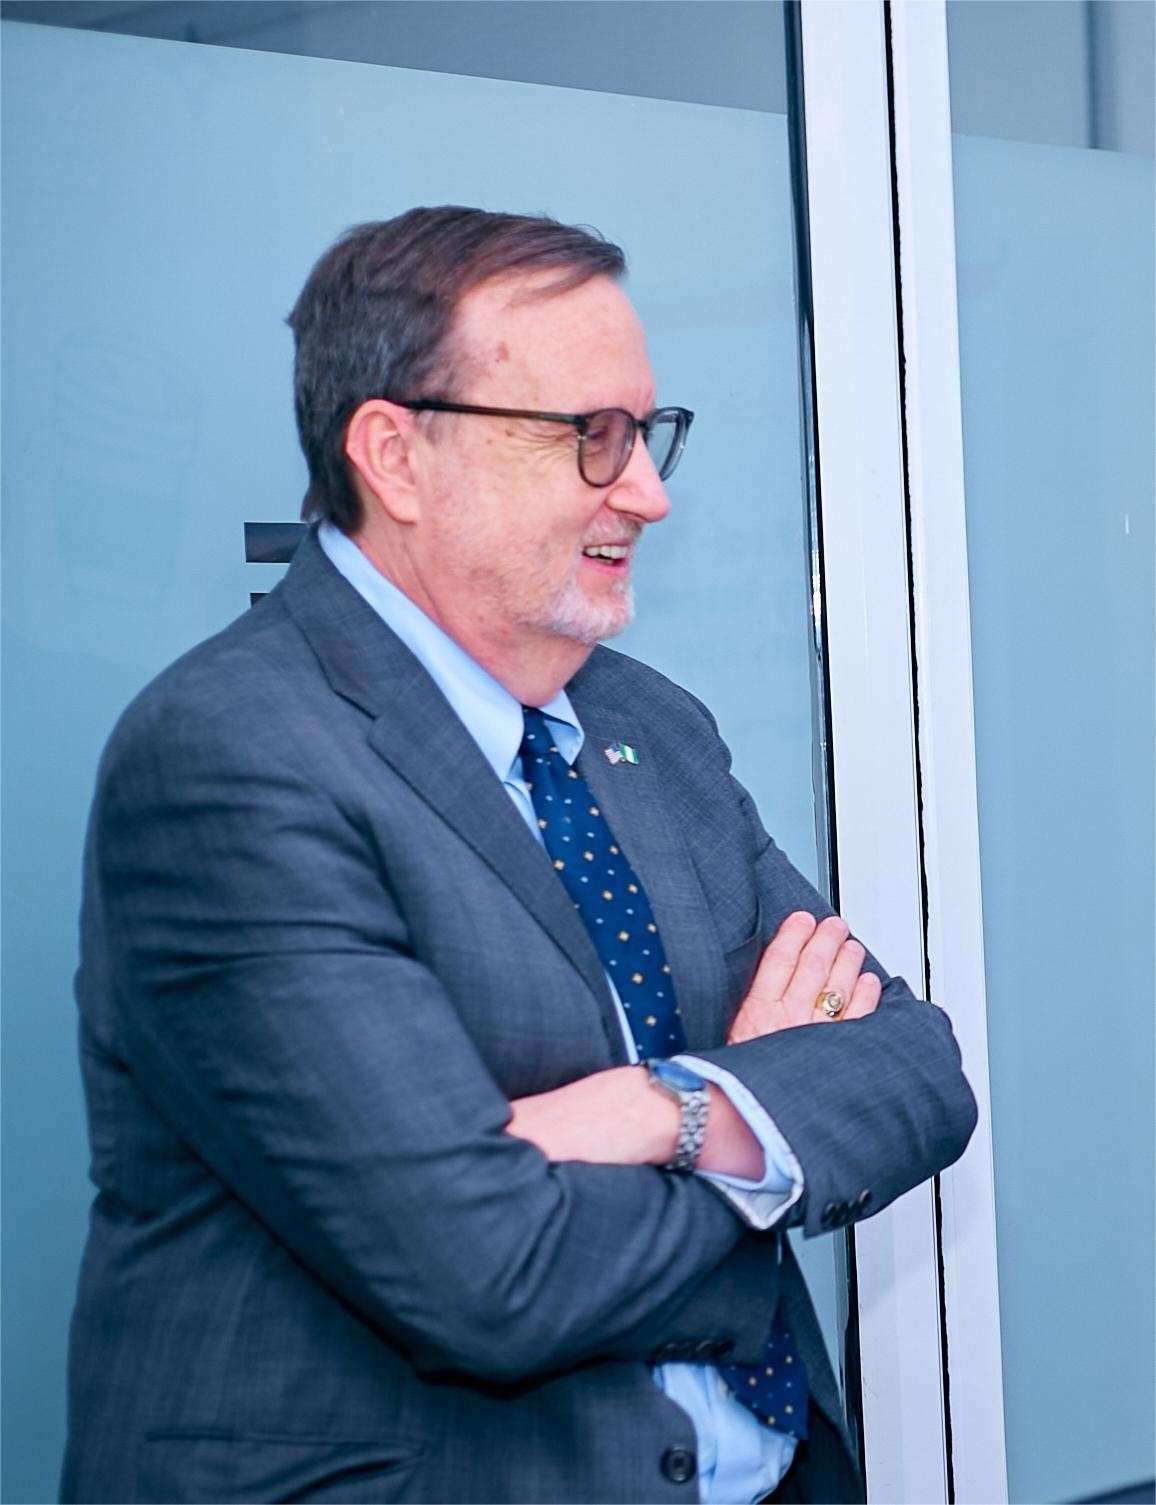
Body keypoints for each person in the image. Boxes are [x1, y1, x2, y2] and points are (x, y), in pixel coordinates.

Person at [61, 207, 977, 1505]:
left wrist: (666, 1107)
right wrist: (765, 1123)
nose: (648, 492)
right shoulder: (231, 758)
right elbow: (489, 1271)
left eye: (647, 433)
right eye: (590, 435)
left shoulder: (650, 724)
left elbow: (917, 1072)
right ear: (398, 456)